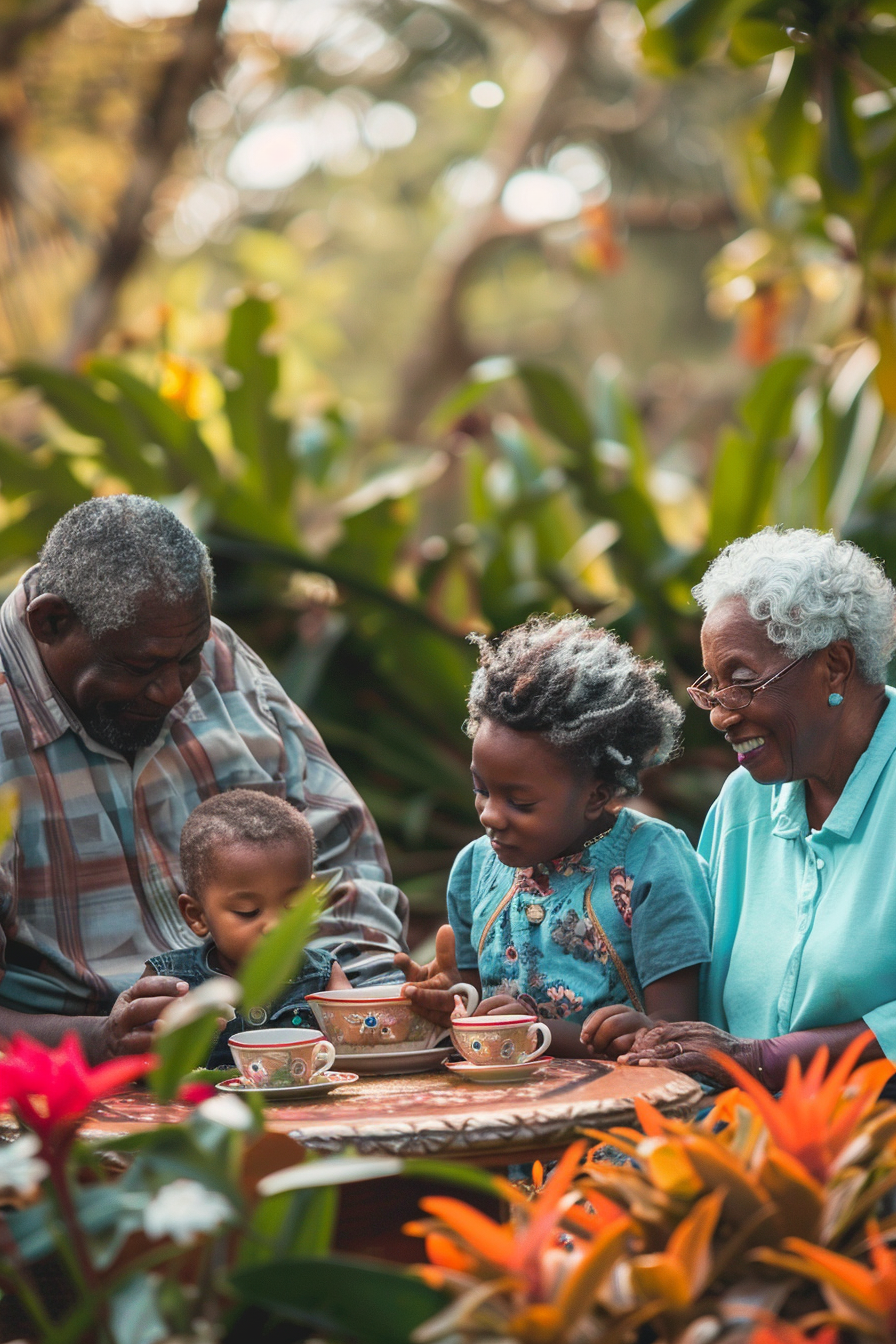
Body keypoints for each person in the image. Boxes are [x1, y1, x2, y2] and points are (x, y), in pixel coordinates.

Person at [0, 496, 407, 1061]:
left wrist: (368, 1005)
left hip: (296, 1044)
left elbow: (342, 851)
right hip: (80, 1073)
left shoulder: (213, 653)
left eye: (187, 658)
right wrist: (104, 1040)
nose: (173, 691)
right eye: (141, 667)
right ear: (51, 622)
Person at [623, 527, 896, 1090]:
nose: (721, 715)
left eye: (742, 683)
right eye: (712, 687)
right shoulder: (745, 800)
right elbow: (691, 983)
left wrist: (762, 1057)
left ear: (836, 666)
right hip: (743, 1137)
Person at [396, 616, 713, 1058]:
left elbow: (675, 1032)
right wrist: (449, 1000)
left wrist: (539, 1033)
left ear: (596, 795)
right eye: (480, 790)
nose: (490, 815)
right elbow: (473, 1012)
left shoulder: (652, 862)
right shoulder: (474, 869)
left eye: (520, 803)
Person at [142, 790, 350, 1068]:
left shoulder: (322, 976)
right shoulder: (170, 982)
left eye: (294, 907)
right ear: (197, 915)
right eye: (248, 911)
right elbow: (137, 1061)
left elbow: (357, 1044)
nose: (275, 926)